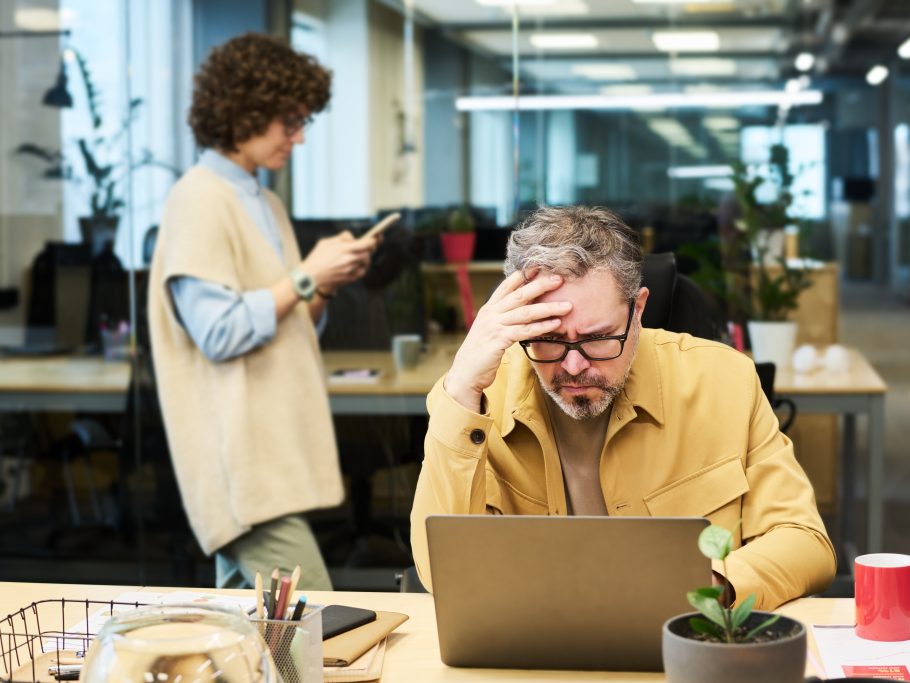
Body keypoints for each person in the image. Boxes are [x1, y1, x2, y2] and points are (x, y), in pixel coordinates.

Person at [410, 205, 835, 609]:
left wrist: (707, 587)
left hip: (683, 642)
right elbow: (439, 572)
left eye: (597, 338)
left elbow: (804, 541)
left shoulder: (725, 381)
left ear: (639, 309)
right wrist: (462, 389)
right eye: (551, 339)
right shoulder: (478, 401)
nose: (573, 366)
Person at [149, 33, 376, 589]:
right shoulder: (198, 198)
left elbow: (292, 326)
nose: (298, 138)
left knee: (254, 640)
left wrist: (324, 284)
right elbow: (219, 333)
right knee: (315, 630)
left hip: (269, 457)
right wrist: (305, 277)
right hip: (240, 468)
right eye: (289, 122)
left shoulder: (264, 201)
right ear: (244, 113)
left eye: (304, 123)